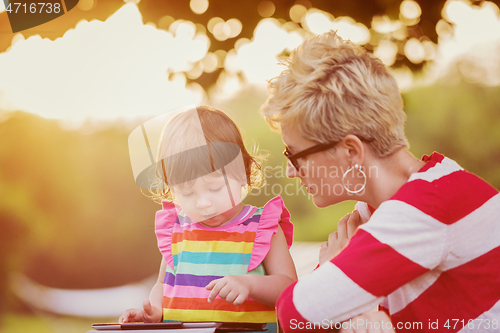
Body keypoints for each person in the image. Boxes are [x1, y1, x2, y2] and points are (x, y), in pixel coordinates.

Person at [260, 31, 500, 332]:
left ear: (350, 152)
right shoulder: (386, 207)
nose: (291, 172)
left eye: (295, 155)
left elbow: (294, 315)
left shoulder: (426, 208)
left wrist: (336, 264)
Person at [119, 106, 297, 333]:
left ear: (244, 172)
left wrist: (249, 284)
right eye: (187, 193)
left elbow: (290, 287)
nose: (203, 203)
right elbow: (163, 285)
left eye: (215, 187)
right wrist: (153, 310)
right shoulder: (176, 231)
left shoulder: (262, 227)